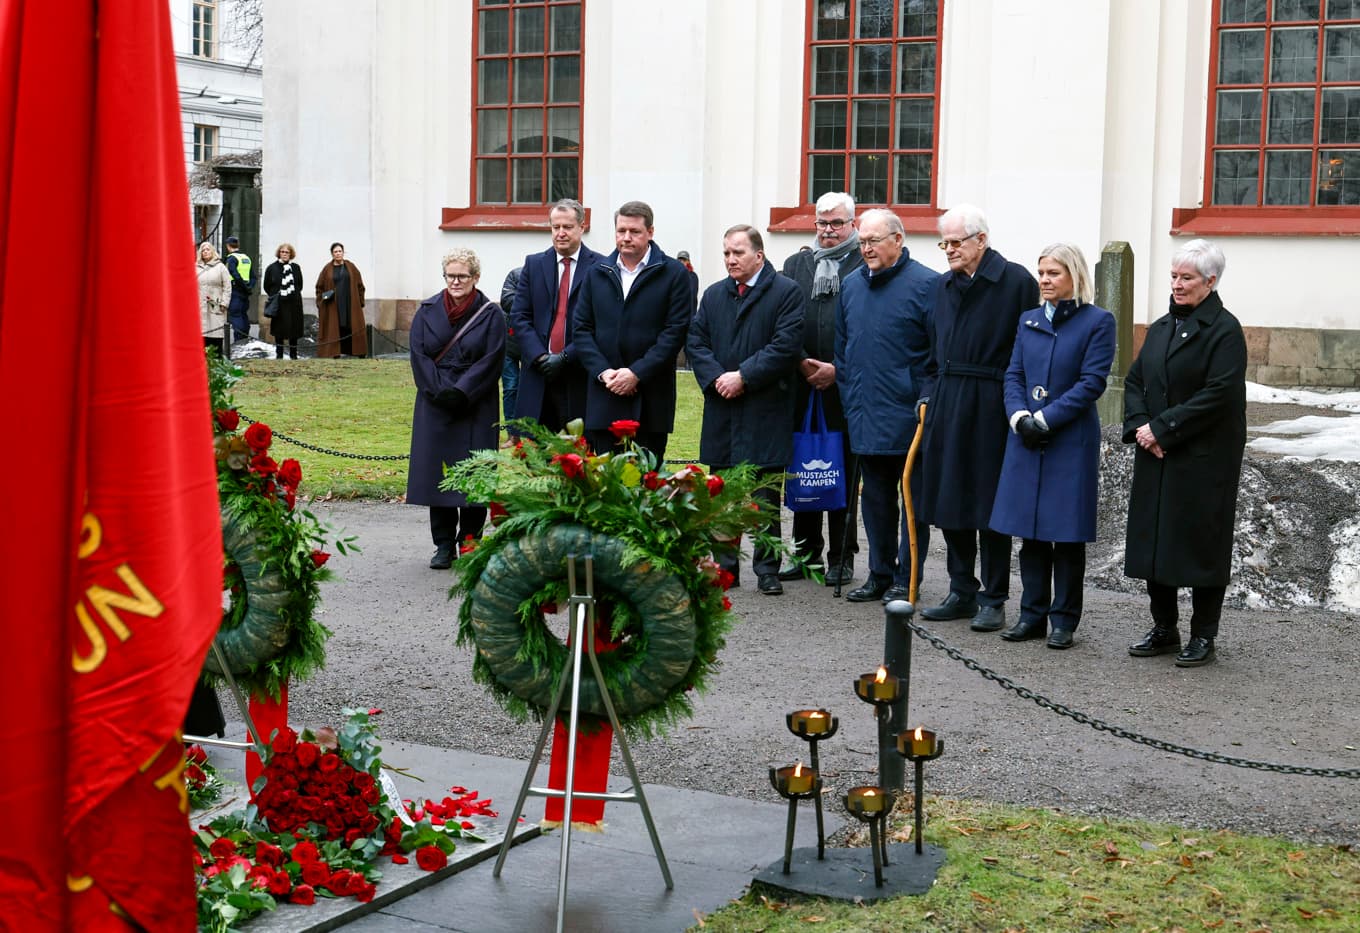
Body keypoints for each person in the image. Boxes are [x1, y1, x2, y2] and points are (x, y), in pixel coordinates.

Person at [1123, 239, 1246, 668]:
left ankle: (1203, 634)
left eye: (1186, 278)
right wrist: (1141, 427)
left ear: (1210, 282)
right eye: (1174, 276)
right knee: (1157, 543)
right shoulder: (1160, 328)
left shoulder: (1225, 331)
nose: (1176, 284)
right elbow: (1135, 380)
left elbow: (1219, 395)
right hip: (1157, 455)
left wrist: (1162, 428)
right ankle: (1165, 627)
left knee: (1200, 545)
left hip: (1202, 459)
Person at [988, 244, 1116, 650]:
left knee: (1066, 534)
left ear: (1074, 276)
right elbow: (1014, 374)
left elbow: (1091, 383)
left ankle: (1064, 619)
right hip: (1024, 435)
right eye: (1041, 272)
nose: (1044, 280)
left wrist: (1045, 419)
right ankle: (1032, 614)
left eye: (1053, 273)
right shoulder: (1028, 321)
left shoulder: (1097, 322)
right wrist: (1019, 417)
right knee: (1031, 533)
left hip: (1068, 440)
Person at [919, 204, 1039, 631]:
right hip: (949, 398)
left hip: (992, 399)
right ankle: (960, 590)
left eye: (956, 242)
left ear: (981, 240)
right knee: (949, 497)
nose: (948, 250)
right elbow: (932, 350)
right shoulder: (941, 286)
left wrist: (1018, 401)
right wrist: (929, 393)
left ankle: (994, 596)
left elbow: (1026, 348)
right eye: (944, 243)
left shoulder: (1017, 281)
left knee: (990, 502)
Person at [687, 224, 804, 595]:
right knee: (722, 493)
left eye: (738, 252)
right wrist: (718, 378)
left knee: (764, 493)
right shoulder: (714, 294)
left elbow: (785, 346)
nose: (730, 260)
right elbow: (696, 341)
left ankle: (767, 568)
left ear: (759, 254)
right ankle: (725, 568)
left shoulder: (786, 292)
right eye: (726, 253)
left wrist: (744, 376)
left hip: (764, 406)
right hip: (723, 407)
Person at [835, 208, 938, 603]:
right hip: (865, 408)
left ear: (898, 239)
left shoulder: (928, 285)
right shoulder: (851, 285)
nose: (866, 249)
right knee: (874, 498)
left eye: (873, 241)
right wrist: (849, 396)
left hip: (909, 412)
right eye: (861, 242)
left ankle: (906, 576)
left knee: (912, 499)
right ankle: (879, 572)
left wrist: (923, 399)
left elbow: (934, 351)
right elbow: (843, 351)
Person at [778, 191, 863, 587]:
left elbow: (866, 329)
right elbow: (784, 318)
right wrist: (800, 359)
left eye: (836, 224)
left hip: (845, 383)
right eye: (822, 223)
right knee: (803, 468)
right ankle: (805, 552)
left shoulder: (863, 263)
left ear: (853, 224)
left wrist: (837, 368)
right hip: (801, 380)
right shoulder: (796, 263)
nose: (827, 231)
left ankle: (841, 556)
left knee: (841, 469)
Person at [406, 249, 506, 570]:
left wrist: (462, 392)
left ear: (475, 277)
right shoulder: (427, 311)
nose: (455, 282)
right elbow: (418, 355)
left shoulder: (491, 314)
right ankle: (444, 544)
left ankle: (470, 540)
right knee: (439, 474)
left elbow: (492, 359)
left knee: (475, 473)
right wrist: (438, 391)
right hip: (435, 401)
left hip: (476, 402)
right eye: (450, 275)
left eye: (462, 276)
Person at [573, 200, 692, 460]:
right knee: (605, 489)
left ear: (650, 232)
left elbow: (675, 332)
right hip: (605, 395)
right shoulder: (597, 273)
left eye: (634, 232)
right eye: (621, 231)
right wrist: (604, 373)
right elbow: (581, 329)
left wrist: (637, 373)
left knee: (647, 487)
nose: (626, 238)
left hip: (650, 399)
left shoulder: (673, 274)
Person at [510, 199, 603, 430]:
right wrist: (540, 356)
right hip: (538, 374)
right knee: (536, 456)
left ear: (582, 227)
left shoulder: (601, 267)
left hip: (578, 375)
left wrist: (564, 358)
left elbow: (601, 323)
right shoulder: (534, 264)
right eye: (555, 227)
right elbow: (520, 316)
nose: (561, 233)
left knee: (576, 456)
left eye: (568, 227)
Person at [315, 242, 368, 358]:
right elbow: (319, 287)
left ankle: (358, 352)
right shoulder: (327, 269)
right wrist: (322, 300)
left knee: (351, 325)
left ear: (343, 253)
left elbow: (360, 285)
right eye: (335, 252)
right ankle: (335, 352)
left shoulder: (351, 267)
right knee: (336, 326)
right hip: (334, 304)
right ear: (332, 254)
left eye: (340, 251)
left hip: (350, 302)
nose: (338, 254)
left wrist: (360, 302)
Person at [263, 243, 304, 360]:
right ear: (279, 253)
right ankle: (279, 354)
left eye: (287, 252)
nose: (284, 254)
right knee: (279, 330)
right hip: (279, 303)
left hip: (294, 303)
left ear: (291, 254)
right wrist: (276, 295)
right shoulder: (272, 268)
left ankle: (293, 354)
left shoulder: (296, 267)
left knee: (294, 329)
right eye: (282, 252)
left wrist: (291, 293)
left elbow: (300, 284)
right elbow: (267, 286)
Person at [196, 241, 231, 354]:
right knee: (200, 336)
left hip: (215, 306)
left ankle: (216, 362)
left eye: (208, 249)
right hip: (199, 306)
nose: (205, 252)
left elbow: (227, 286)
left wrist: (224, 303)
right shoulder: (195, 267)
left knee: (215, 335)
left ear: (213, 251)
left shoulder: (220, 267)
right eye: (203, 250)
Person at [499, 266, 522, 421]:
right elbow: (506, 302)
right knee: (510, 387)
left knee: (534, 389)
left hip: (534, 345)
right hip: (509, 343)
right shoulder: (515, 275)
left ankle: (532, 434)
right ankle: (512, 432)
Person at [223, 235, 253, 342]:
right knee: (243, 314)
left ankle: (239, 341)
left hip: (235, 290)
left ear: (228, 246)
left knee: (236, 315)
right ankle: (245, 338)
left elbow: (234, 274)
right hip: (245, 291)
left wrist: (243, 286)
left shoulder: (231, 258)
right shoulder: (246, 258)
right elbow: (253, 276)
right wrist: (249, 287)